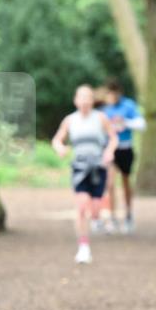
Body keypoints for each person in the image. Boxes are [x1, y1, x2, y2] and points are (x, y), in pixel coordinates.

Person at [51, 85, 118, 264]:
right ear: (76, 100)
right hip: (79, 168)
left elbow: (113, 137)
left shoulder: (101, 118)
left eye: (88, 98)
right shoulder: (70, 120)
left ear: (92, 101)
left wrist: (109, 152)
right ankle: (83, 247)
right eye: (81, 98)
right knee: (81, 208)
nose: (85, 101)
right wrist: (60, 148)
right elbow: (57, 139)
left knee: (95, 210)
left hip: (99, 167)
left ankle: (97, 219)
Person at [101, 79, 145, 233]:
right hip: (111, 150)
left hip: (126, 149)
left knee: (126, 182)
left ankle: (128, 215)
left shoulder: (128, 106)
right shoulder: (105, 110)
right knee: (110, 183)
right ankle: (112, 217)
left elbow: (141, 124)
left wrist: (125, 122)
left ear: (117, 93)